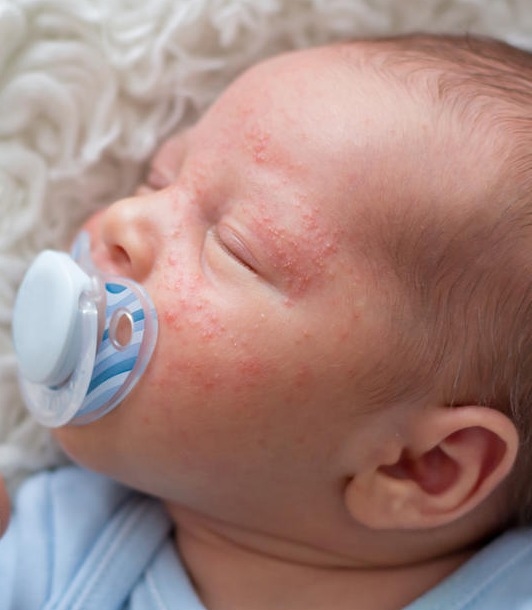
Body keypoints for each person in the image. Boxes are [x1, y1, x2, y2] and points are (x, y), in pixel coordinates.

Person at [2, 32, 532, 610]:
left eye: (235, 247)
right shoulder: (50, 556)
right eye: (159, 178)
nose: (124, 219)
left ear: (419, 466)